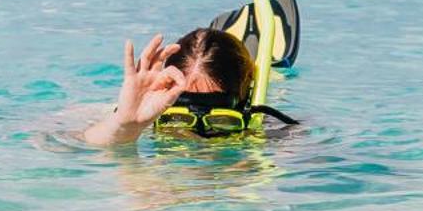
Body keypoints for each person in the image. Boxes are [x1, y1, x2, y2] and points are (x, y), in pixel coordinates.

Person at [80, 27, 294, 147]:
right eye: (179, 119)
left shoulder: (270, 132)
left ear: (245, 104)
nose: (196, 139)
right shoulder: (131, 114)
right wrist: (126, 126)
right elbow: (58, 144)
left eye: (219, 121)